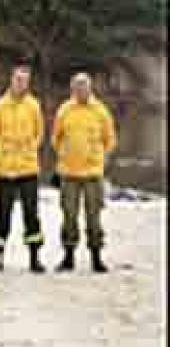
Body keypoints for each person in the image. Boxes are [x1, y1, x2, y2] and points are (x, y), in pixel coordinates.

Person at [52, 72, 117, 273]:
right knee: (69, 216)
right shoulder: (64, 110)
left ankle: (96, 257)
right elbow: (56, 138)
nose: (81, 90)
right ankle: (68, 256)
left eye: (84, 87)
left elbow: (110, 139)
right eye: (77, 87)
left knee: (94, 217)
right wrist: (65, 155)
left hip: (93, 174)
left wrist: (98, 158)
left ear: (90, 89)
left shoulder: (101, 111)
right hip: (69, 174)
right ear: (72, 90)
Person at [0, 65, 47, 273]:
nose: (21, 83)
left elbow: (40, 133)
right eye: (18, 79)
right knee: (3, 217)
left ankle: (34, 257)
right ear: (11, 80)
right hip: (5, 170)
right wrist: (3, 151)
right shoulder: (0, 105)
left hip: (28, 169)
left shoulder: (34, 105)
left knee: (31, 215)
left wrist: (29, 148)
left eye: (25, 80)